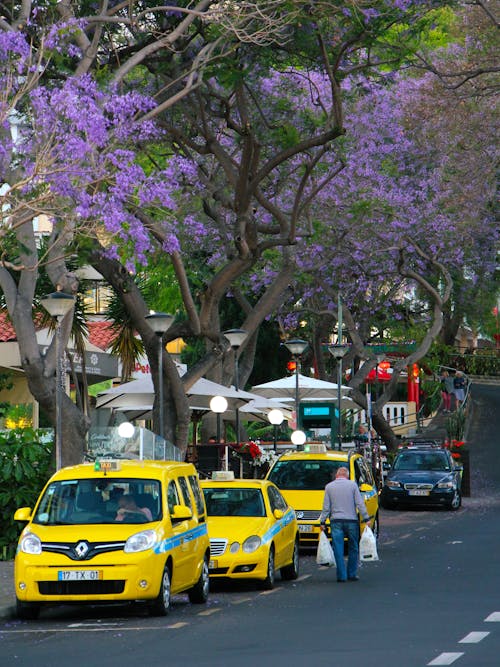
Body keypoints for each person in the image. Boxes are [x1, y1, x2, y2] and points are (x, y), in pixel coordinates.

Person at [319, 466, 371, 582]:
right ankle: (351, 573)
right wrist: (366, 518)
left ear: (337, 475)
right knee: (353, 547)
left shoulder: (329, 487)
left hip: (336, 521)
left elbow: (326, 507)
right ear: (346, 476)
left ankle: (341, 576)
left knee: (338, 548)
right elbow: (359, 503)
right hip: (351, 521)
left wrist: (322, 522)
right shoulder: (352, 485)